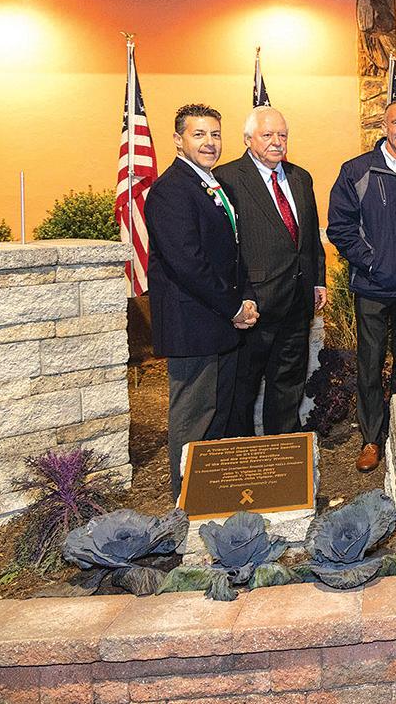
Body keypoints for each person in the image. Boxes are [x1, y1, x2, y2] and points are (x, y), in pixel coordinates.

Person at [145, 104, 259, 498]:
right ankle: (188, 499)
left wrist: (246, 297)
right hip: (192, 324)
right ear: (178, 140)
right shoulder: (170, 191)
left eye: (214, 134)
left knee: (219, 415)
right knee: (194, 417)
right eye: (199, 134)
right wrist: (233, 306)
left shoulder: (214, 185)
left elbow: (234, 252)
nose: (209, 143)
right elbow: (188, 264)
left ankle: (215, 493)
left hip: (222, 322)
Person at [327, 100, 396, 473]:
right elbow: (340, 227)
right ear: (384, 126)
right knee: (369, 365)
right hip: (372, 286)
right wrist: (372, 262)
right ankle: (371, 438)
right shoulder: (357, 170)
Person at [214, 106, 326, 438]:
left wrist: (318, 280)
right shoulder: (227, 179)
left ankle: (284, 450)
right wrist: (235, 298)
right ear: (248, 139)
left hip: (297, 302)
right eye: (267, 135)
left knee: (288, 383)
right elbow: (224, 247)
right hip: (254, 305)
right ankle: (245, 454)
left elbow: (309, 236)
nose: (277, 141)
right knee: (243, 387)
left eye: (282, 135)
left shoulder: (300, 177)